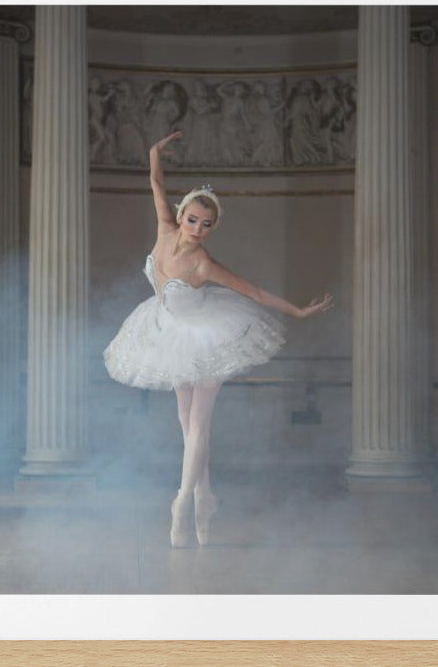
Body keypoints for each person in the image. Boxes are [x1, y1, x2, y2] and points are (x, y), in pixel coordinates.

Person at [103, 131, 333, 548]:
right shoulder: (164, 227)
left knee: (199, 427)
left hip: (209, 335)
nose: (198, 229)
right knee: (186, 426)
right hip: (169, 332)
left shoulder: (204, 264)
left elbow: (256, 293)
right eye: (193, 219)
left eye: (207, 225)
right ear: (181, 213)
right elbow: (156, 183)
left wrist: (298, 311)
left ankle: (181, 503)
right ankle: (205, 498)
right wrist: (154, 153)